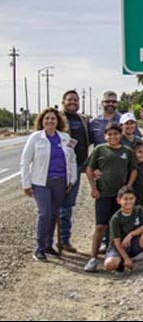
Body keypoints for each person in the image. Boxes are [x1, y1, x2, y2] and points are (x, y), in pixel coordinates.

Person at [20, 108, 77, 261]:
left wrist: (72, 178)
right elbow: (25, 161)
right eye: (47, 119)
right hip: (41, 182)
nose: (50, 121)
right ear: (42, 121)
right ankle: (39, 248)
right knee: (44, 213)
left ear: (58, 121)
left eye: (53, 119)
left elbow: (72, 160)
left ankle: (48, 245)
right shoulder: (35, 138)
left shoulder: (65, 138)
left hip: (60, 181)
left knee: (53, 213)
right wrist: (25, 183)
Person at [84, 123, 138, 272]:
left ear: (120, 135)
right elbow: (89, 168)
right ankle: (93, 258)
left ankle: (116, 256)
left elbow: (133, 169)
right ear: (105, 136)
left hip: (120, 197)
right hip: (103, 194)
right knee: (101, 226)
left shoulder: (127, 151)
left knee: (119, 228)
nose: (113, 137)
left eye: (116, 134)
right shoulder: (99, 150)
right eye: (110, 134)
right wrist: (93, 188)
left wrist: (128, 186)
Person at [104, 186, 143, 275]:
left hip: (134, 243)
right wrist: (126, 258)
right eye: (125, 199)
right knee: (109, 265)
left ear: (135, 199)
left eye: (131, 199)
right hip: (120, 247)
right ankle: (121, 262)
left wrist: (131, 234)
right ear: (119, 201)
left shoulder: (139, 209)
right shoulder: (115, 219)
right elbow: (117, 242)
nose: (129, 201)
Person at [59, 90, 90, 253]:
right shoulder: (57, 118)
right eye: (70, 99)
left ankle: (64, 239)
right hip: (58, 168)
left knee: (68, 204)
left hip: (77, 166)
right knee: (55, 205)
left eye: (75, 100)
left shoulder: (83, 119)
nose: (73, 102)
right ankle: (50, 241)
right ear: (63, 101)